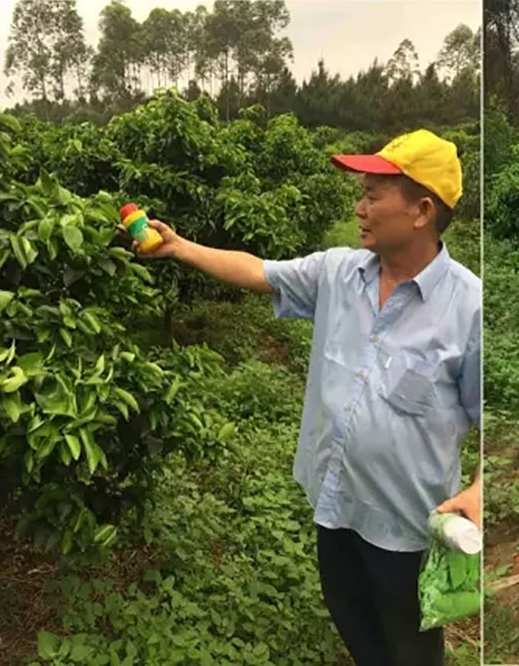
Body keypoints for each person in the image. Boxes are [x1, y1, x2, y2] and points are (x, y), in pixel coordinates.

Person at [125, 129, 480, 664]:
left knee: (410, 648)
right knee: (357, 629)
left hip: (404, 530)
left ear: (421, 210)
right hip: (335, 509)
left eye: (372, 195)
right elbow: (257, 271)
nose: (359, 208)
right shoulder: (338, 273)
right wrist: (178, 247)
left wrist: (481, 490)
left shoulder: (469, 309)